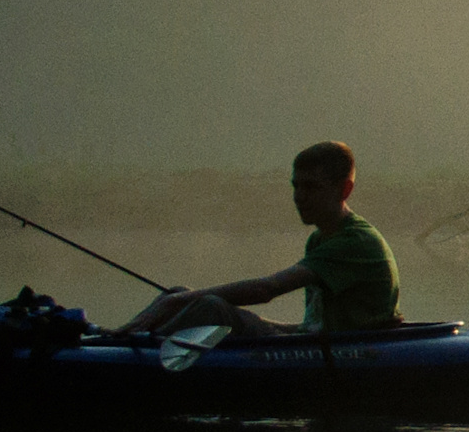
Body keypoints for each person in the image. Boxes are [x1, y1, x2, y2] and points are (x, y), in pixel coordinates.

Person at [114, 140, 401, 339]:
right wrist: (176, 299)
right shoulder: (319, 239)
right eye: (296, 186)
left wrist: (175, 304)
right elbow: (314, 326)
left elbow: (267, 289)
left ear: (344, 190)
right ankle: (117, 337)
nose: (299, 197)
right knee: (178, 293)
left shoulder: (355, 242)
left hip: (350, 351)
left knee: (208, 306)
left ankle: (130, 349)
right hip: (317, 340)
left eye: (311, 187)